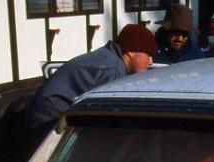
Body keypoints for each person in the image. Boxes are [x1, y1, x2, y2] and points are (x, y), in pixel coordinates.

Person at [27, 24, 157, 132]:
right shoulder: (113, 70)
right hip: (50, 118)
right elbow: (109, 115)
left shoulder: (108, 57)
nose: (150, 61)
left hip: (43, 109)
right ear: (131, 51)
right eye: (148, 54)